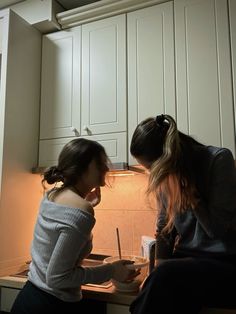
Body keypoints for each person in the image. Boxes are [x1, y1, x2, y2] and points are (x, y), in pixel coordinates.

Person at [11, 138, 138, 314]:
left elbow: (64, 220)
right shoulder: (80, 210)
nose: (106, 168)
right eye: (100, 163)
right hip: (51, 305)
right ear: (81, 168)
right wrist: (111, 270)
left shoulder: (52, 194)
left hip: (30, 297)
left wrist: (85, 204)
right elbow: (58, 278)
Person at [129, 114, 236, 314]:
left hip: (224, 263)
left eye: (152, 168)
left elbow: (217, 230)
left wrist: (194, 201)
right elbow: (164, 229)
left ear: (167, 158)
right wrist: (153, 275)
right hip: (185, 264)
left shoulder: (219, 160)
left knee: (168, 276)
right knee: (165, 285)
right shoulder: (165, 175)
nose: (153, 175)